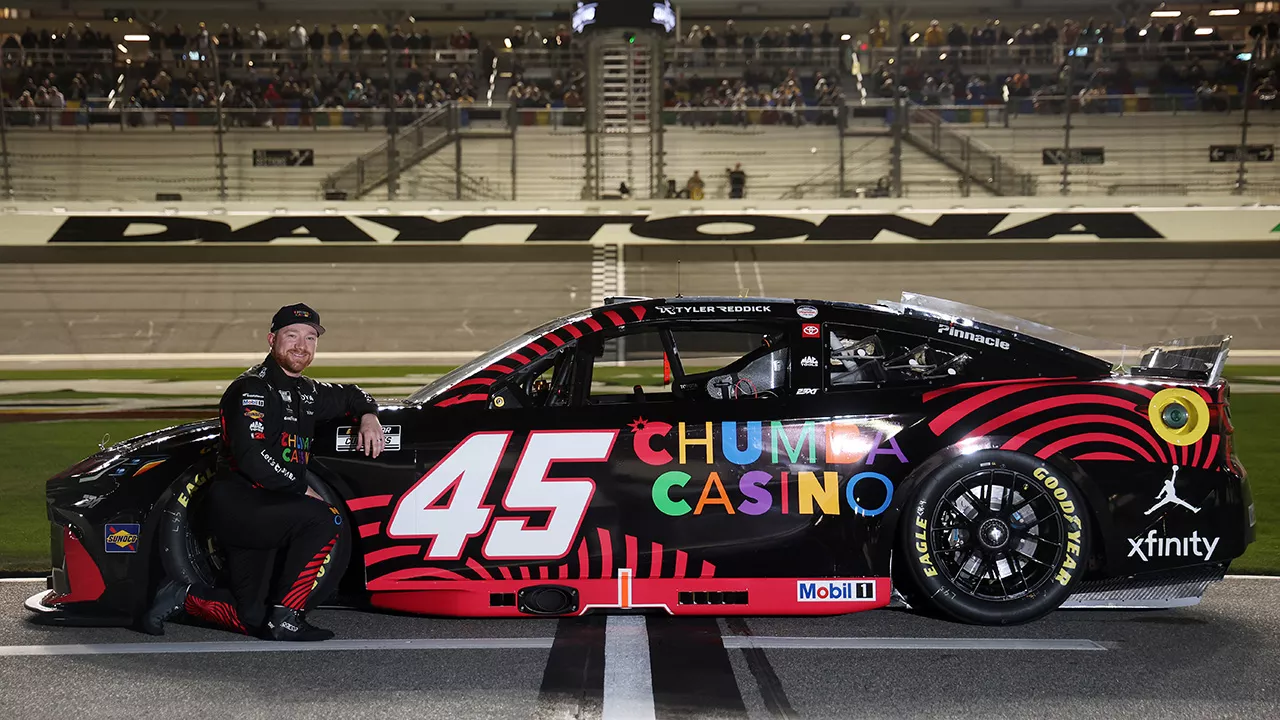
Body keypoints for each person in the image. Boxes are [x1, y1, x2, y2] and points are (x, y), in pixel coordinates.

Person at [144, 303, 384, 641]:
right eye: (292, 335)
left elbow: (354, 395)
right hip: (240, 506)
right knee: (325, 518)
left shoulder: (308, 391)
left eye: (310, 338)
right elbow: (252, 457)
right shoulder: (251, 389)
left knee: (253, 617)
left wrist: (369, 416)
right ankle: (288, 618)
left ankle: (179, 596)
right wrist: (301, 488)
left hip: (273, 510)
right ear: (272, 340)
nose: (301, 345)